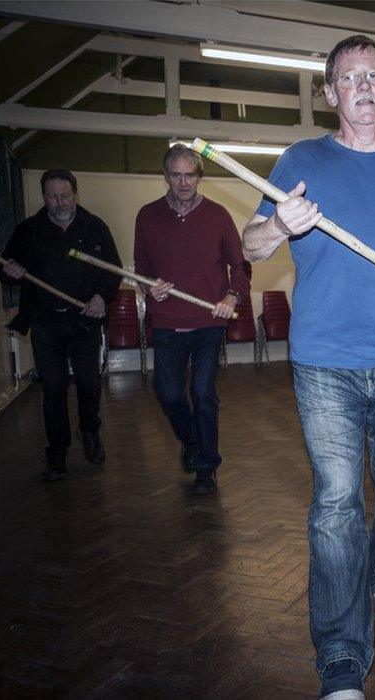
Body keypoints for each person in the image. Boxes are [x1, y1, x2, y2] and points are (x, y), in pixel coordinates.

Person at [241, 35, 375, 700]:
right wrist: (279, 224)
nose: (364, 86)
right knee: (336, 507)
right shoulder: (300, 160)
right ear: (330, 94)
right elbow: (251, 246)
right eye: (349, 77)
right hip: (324, 363)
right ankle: (340, 652)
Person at [134, 144, 249, 496]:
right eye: (176, 175)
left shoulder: (218, 215)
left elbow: (241, 265)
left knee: (202, 391)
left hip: (208, 321)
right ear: (166, 176)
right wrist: (148, 288)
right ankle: (191, 441)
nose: (183, 182)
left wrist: (232, 296)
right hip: (167, 319)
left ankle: (206, 465)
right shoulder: (147, 215)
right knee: (168, 393)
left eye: (190, 175)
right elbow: (141, 270)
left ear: (200, 177)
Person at [1, 169, 121, 481]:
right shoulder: (29, 230)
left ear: (75, 195)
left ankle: (90, 432)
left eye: (65, 195)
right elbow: (6, 269)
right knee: (53, 388)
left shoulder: (94, 228)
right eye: (52, 196)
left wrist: (100, 297)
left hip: (84, 319)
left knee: (89, 383)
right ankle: (57, 451)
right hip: (46, 320)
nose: (59, 202)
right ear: (44, 197)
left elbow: (114, 272)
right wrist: (10, 272)